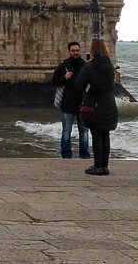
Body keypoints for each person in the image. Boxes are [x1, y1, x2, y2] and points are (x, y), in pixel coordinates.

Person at [75, 39, 118, 176]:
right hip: (109, 104)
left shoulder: (90, 67)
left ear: (92, 51)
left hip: (95, 105)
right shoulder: (110, 67)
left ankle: (97, 166)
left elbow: (79, 85)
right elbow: (110, 85)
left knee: (96, 135)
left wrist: (89, 90)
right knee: (106, 134)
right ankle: (104, 166)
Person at [51, 41, 90, 159]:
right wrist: (64, 77)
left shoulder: (85, 66)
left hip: (83, 104)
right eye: (73, 51)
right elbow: (54, 81)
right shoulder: (64, 65)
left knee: (84, 132)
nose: (75, 53)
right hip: (67, 104)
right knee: (66, 132)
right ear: (69, 51)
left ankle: (84, 155)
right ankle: (66, 156)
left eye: (77, 50)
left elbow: (92, 83)